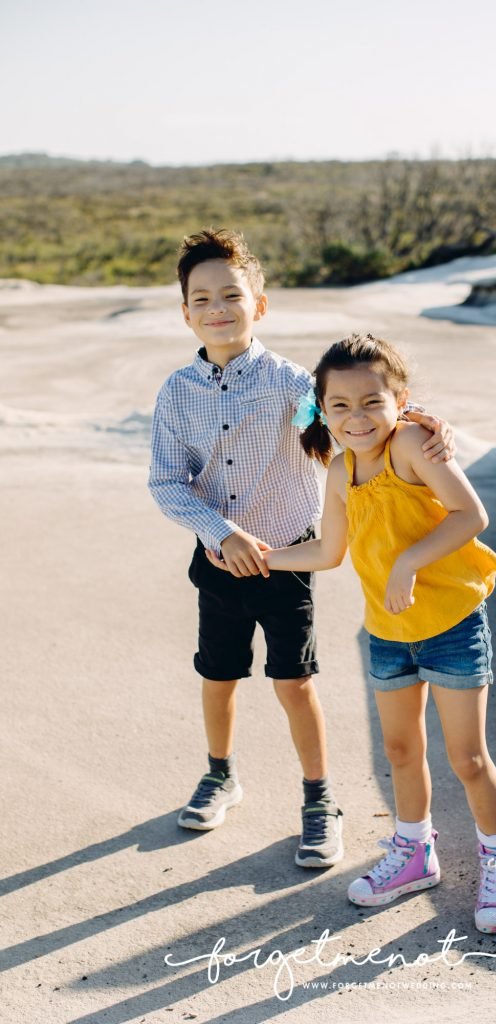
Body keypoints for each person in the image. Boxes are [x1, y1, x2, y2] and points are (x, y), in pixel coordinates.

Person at [148, 230, 455, 869]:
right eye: (201, 298)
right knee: (218, 676)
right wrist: (219, 533)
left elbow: (356, 414)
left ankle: (320, 801)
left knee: (294, 682)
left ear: (258, 305)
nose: (217, 309)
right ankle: (220, 775)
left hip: (289, 559)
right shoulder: (177, 393)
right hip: (218, 560)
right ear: (185, 312)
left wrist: (422, 416)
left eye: (231, 295)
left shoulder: (291, 385)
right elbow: (166, 481)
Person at [258, 332, 496, 932]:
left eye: (373, 401)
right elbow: (327, 552)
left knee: (468, 757)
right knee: (401, 751)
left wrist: (408, 562)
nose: (357, 417)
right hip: (387, 633)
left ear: (401, 401)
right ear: (323, 409)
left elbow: (472, 515)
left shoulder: (411, 445)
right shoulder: (341, 467)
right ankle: (413, 853)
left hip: (451, 623)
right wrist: (264, 557)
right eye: (340, 405)